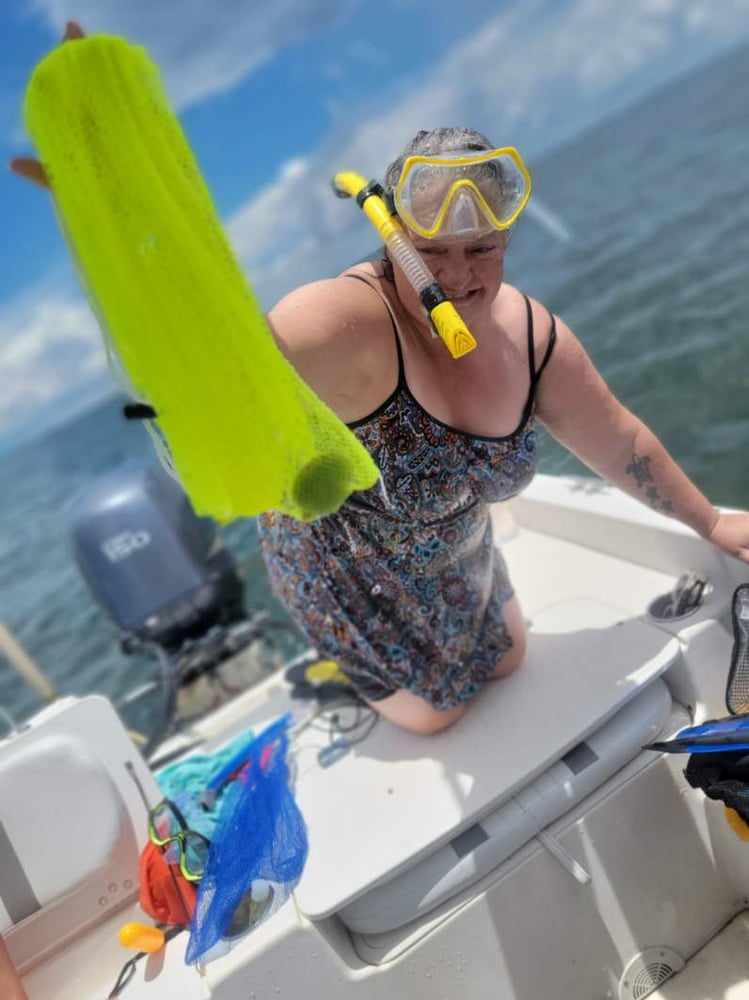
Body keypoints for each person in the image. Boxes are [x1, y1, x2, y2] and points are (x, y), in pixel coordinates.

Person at [12, 25, 749, 738]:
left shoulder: (531, 337)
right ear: (390, 233)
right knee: (438, 718)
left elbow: (615, 436)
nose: (460, 278)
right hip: (344, 581)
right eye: (433, 252)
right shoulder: (340, 324)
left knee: (512, 664)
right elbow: (215, 363)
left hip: (460, 556)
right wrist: (111, 201)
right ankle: (333, 671)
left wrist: (707, 523)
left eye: (483, 249)